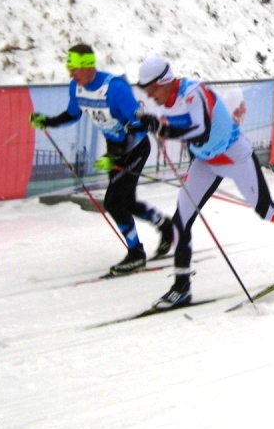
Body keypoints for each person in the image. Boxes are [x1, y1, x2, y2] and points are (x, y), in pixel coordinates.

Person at [134, 56, 274, 310]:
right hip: (205, 162)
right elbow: (164, 125)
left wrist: (162, 127)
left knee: (265, 210)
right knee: (181, 220)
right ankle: (181, 288)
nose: (149, 95)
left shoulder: (192, 93)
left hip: (235, 156)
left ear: (164, 82)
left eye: (151, 89)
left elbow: (200, 130)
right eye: (145, 90)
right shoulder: (160, 101)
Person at [29, 44, 172, 275]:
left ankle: (136, 254)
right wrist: (48, 121)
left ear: (87, 67)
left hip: (134, 147)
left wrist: (114, 156)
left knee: (114, 202)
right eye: (70, 68)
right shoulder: (77, 87)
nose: (71, 74)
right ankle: (166, 226)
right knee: (126, 202)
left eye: (74, 68)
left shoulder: (114, 89)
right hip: (115, 147)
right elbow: (73, 114)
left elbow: (137, 129)